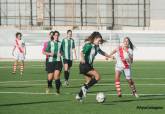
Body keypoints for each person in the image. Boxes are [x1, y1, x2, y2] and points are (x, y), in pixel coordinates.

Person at [75, 31, 111, 102]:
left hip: (88, 66)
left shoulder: (97, 47)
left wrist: (110, 56)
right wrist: (82, 58)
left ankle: (79, 95)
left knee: (88, 81)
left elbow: (102, 52)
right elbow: (82, 52)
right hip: (85, 65)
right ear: (95, 39)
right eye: (99, 40)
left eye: (100, 41)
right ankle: (84, 88)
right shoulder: (89, 45)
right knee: (97, 76)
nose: (99, 42)